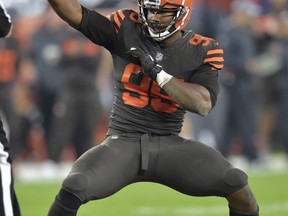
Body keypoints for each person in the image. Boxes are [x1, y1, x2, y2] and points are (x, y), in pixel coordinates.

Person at [47, 0, 259, 216]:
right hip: (123, 141)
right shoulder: (126, 27)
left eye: (163, 12)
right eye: (151, 10)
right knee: (75, 185)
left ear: (182, 14)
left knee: (238, 185)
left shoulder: (202, 48)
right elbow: (75, 13)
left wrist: (159, 74)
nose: (155, 18)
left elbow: (202, 104)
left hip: (169, 143)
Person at [0, 1, 21, 215]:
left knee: (14, 123)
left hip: (7, 87)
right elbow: (6, 27)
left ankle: (22, 158)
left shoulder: (15, 46)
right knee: (2, 156)